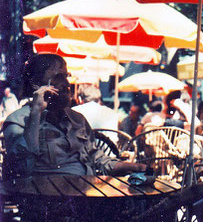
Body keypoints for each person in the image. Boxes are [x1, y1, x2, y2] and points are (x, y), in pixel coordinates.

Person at [2, 54, 146, 179]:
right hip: (49, 201)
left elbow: (97, 159)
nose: (66, 84)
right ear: (36, 84)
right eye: (58, 77)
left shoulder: (77, 119)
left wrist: (133, 167)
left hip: (86, 192)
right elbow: (23, 168)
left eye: (66, 76)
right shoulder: (18, 121)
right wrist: (36, 113)